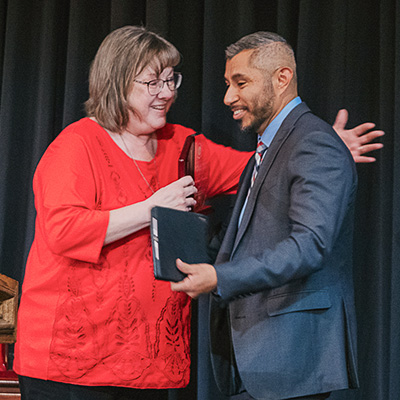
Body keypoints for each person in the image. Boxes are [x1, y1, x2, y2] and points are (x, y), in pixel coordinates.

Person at [14, 25, 379, 400]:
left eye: (172, 80)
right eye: (153, 82)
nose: (167, 93)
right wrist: (150, 208)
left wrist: (324, 145)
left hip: (147, 362)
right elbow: (63, 230)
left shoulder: (184, 147)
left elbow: (261, 168)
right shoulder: (77, 145)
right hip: (73, 359)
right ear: (116, 82)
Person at [171, 31, 361, 400]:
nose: (229, 97)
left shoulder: (314, 142)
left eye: (241, 83)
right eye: (228, 84)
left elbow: (310, 246)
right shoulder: (269, 147)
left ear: (282, 78)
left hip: (293, 358)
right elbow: (249, 238)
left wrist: (219, 276)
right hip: (258, 356)